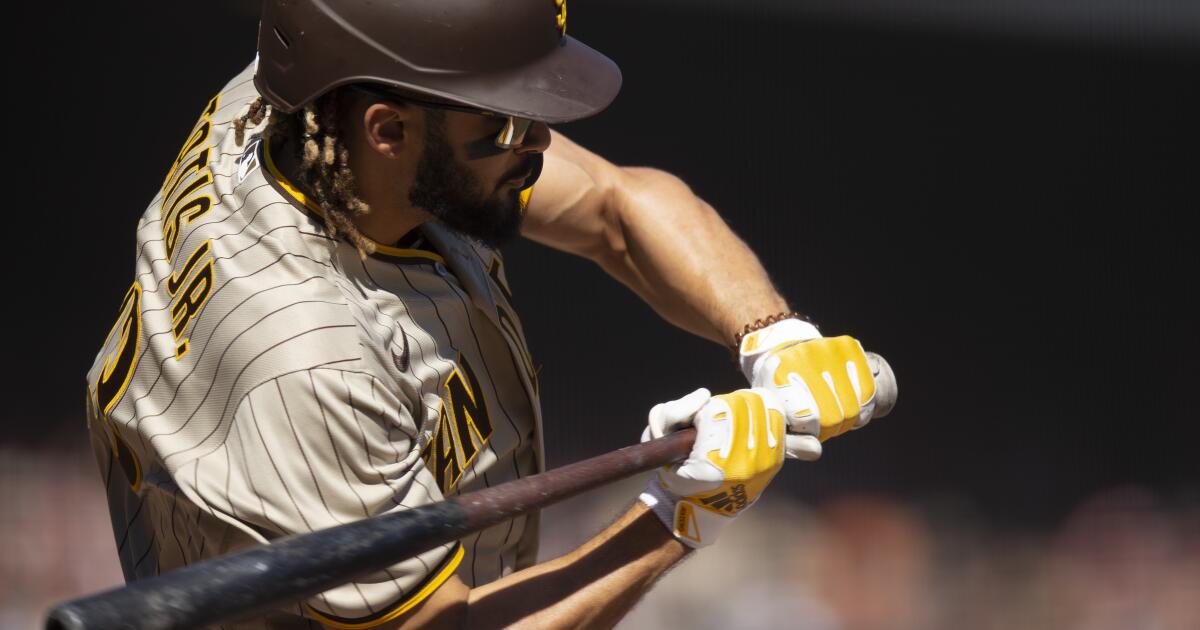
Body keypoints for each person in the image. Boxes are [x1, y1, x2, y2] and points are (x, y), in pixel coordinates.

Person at [86, 1, 888, 627]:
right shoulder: (307, 359)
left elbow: (615, 207)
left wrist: (773, 335)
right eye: (503, 120)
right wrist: (675, 516)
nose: (539, 137)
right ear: (389, 129)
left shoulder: (319, 117)